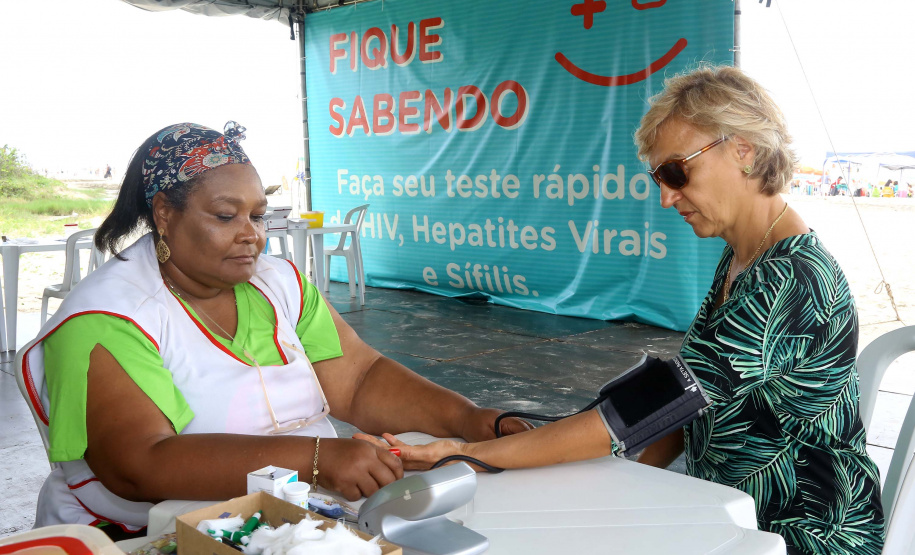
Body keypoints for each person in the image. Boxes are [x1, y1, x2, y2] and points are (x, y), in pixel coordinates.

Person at [359, 67, 886, 555]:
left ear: (743, 149)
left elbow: (651, 405)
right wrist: (604, 466)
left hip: (803, 532)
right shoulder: (745, 256)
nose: (666, 198)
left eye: (676, 173)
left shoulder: (789, 279)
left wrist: (469, 453)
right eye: (659, 178)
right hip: (731, 511)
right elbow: (681, 410)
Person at [25, 122, 531, 537]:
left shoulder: (280, 283)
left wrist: (470, 420)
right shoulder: (108, 318)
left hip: (294, 518)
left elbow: (358, 378)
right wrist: (316, 460)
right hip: (149, 535)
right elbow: (139, 464)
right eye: (226, 216)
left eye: (259, 216)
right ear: (164, 213)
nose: (252, 236)